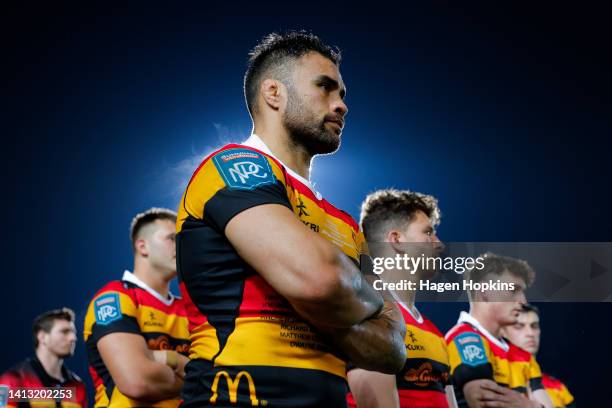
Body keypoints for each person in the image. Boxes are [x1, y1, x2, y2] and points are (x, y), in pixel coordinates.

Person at [176, 30, 406, 407]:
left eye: (343, 94)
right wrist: (367, 301)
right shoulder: (233, 166)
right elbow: (321, 279)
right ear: (274, 94)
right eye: (325, 87)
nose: (341, 105)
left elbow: (393, 350)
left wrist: (319, 294)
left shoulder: (346, 223)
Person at [347, 188, 453, 408]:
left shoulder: (434, 333)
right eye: (428, 232)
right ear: (396, 239)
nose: (439, 243)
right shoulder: (369, 310)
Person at [83, 208, 190, 407]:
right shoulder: (114, 297)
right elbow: (137, 382)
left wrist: (160, 359)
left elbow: (214, 375)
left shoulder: (189, 308)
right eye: (172, 238)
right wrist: (179, 362)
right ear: (143, 246)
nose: (181, 246)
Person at [445, 254, 554, 408]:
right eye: (514, 289)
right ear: (484, 290)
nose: (523, 301)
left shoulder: (523, 355)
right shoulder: (465, 338)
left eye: (522, 292)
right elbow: (485, 403)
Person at [0, 307, 88, 407]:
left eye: (73, 333)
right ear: (42, 337)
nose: (73, 338)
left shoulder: (78, 386)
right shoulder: (12, 380)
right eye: (65, 331)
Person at [502, 304, 575, 408]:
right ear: (503, 331)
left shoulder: (557, 387)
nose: (530, 333)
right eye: (519, 326)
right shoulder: (495, 376)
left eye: (534, 326)